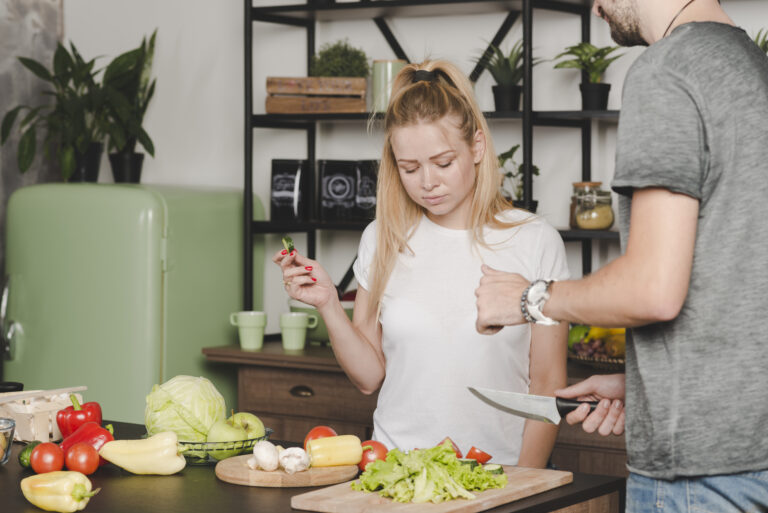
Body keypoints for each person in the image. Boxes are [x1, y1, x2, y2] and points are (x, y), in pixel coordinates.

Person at [475, 0, 768, 510]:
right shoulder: (752, 67)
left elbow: (652, 290)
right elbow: (742, 285)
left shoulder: (669, 69)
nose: (595, 5)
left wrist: (530, 300)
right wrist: (648, 385)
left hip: (699, 475)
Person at [274, 60, 569, 466]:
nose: (427, 182)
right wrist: (328, 304)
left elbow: (548, 383)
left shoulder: (534, 240)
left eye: (443, 163)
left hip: (497, 472)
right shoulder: (382, 238)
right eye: (409, 168)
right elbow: (368, 378)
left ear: (477, 147)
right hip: (395, 470)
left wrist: (526, 484)